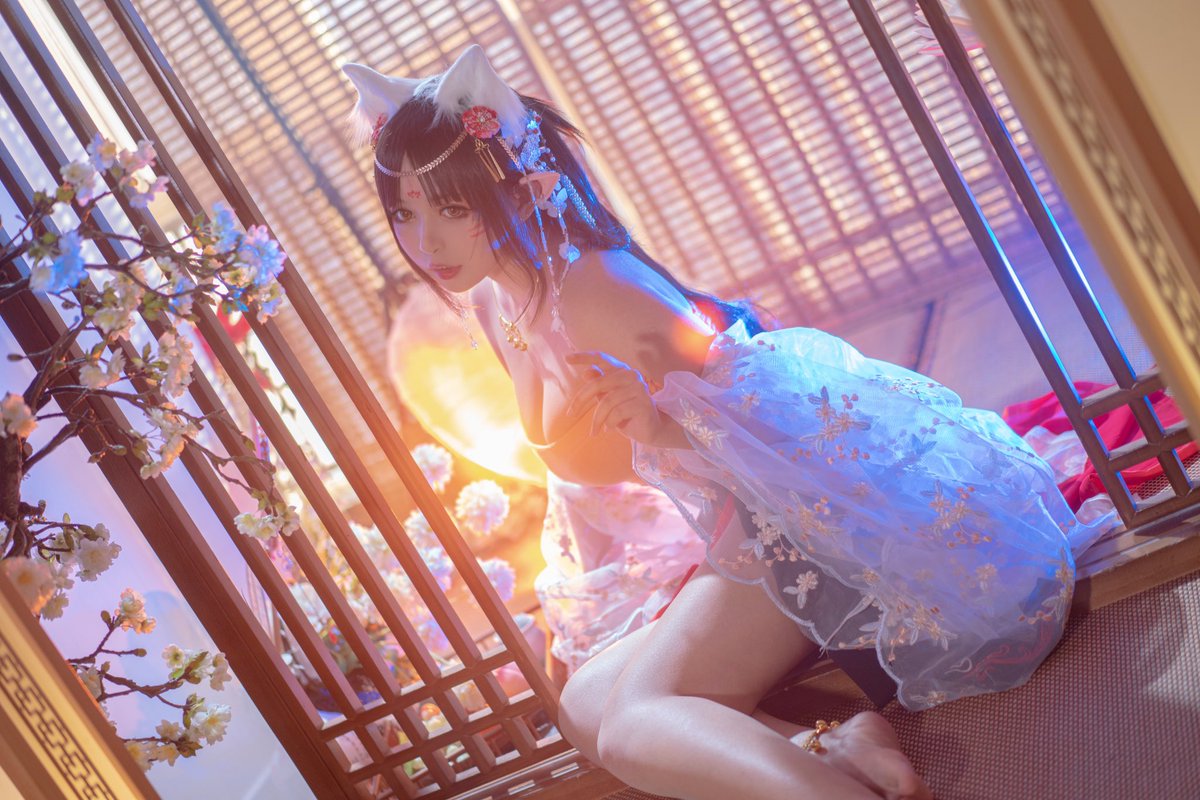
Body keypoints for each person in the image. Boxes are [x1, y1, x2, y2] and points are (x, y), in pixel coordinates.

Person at [345, 45, 1105, 800]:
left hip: (800, 517)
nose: (426, 242)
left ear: (518, 189)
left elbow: (786, 428)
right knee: (585, 706)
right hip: (728, 531)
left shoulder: (599, 290)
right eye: (405, 213)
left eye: (452, 209)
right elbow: (582, 479)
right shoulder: (495, 301)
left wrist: (661, 430)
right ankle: (836, 746)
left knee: (633, 724)